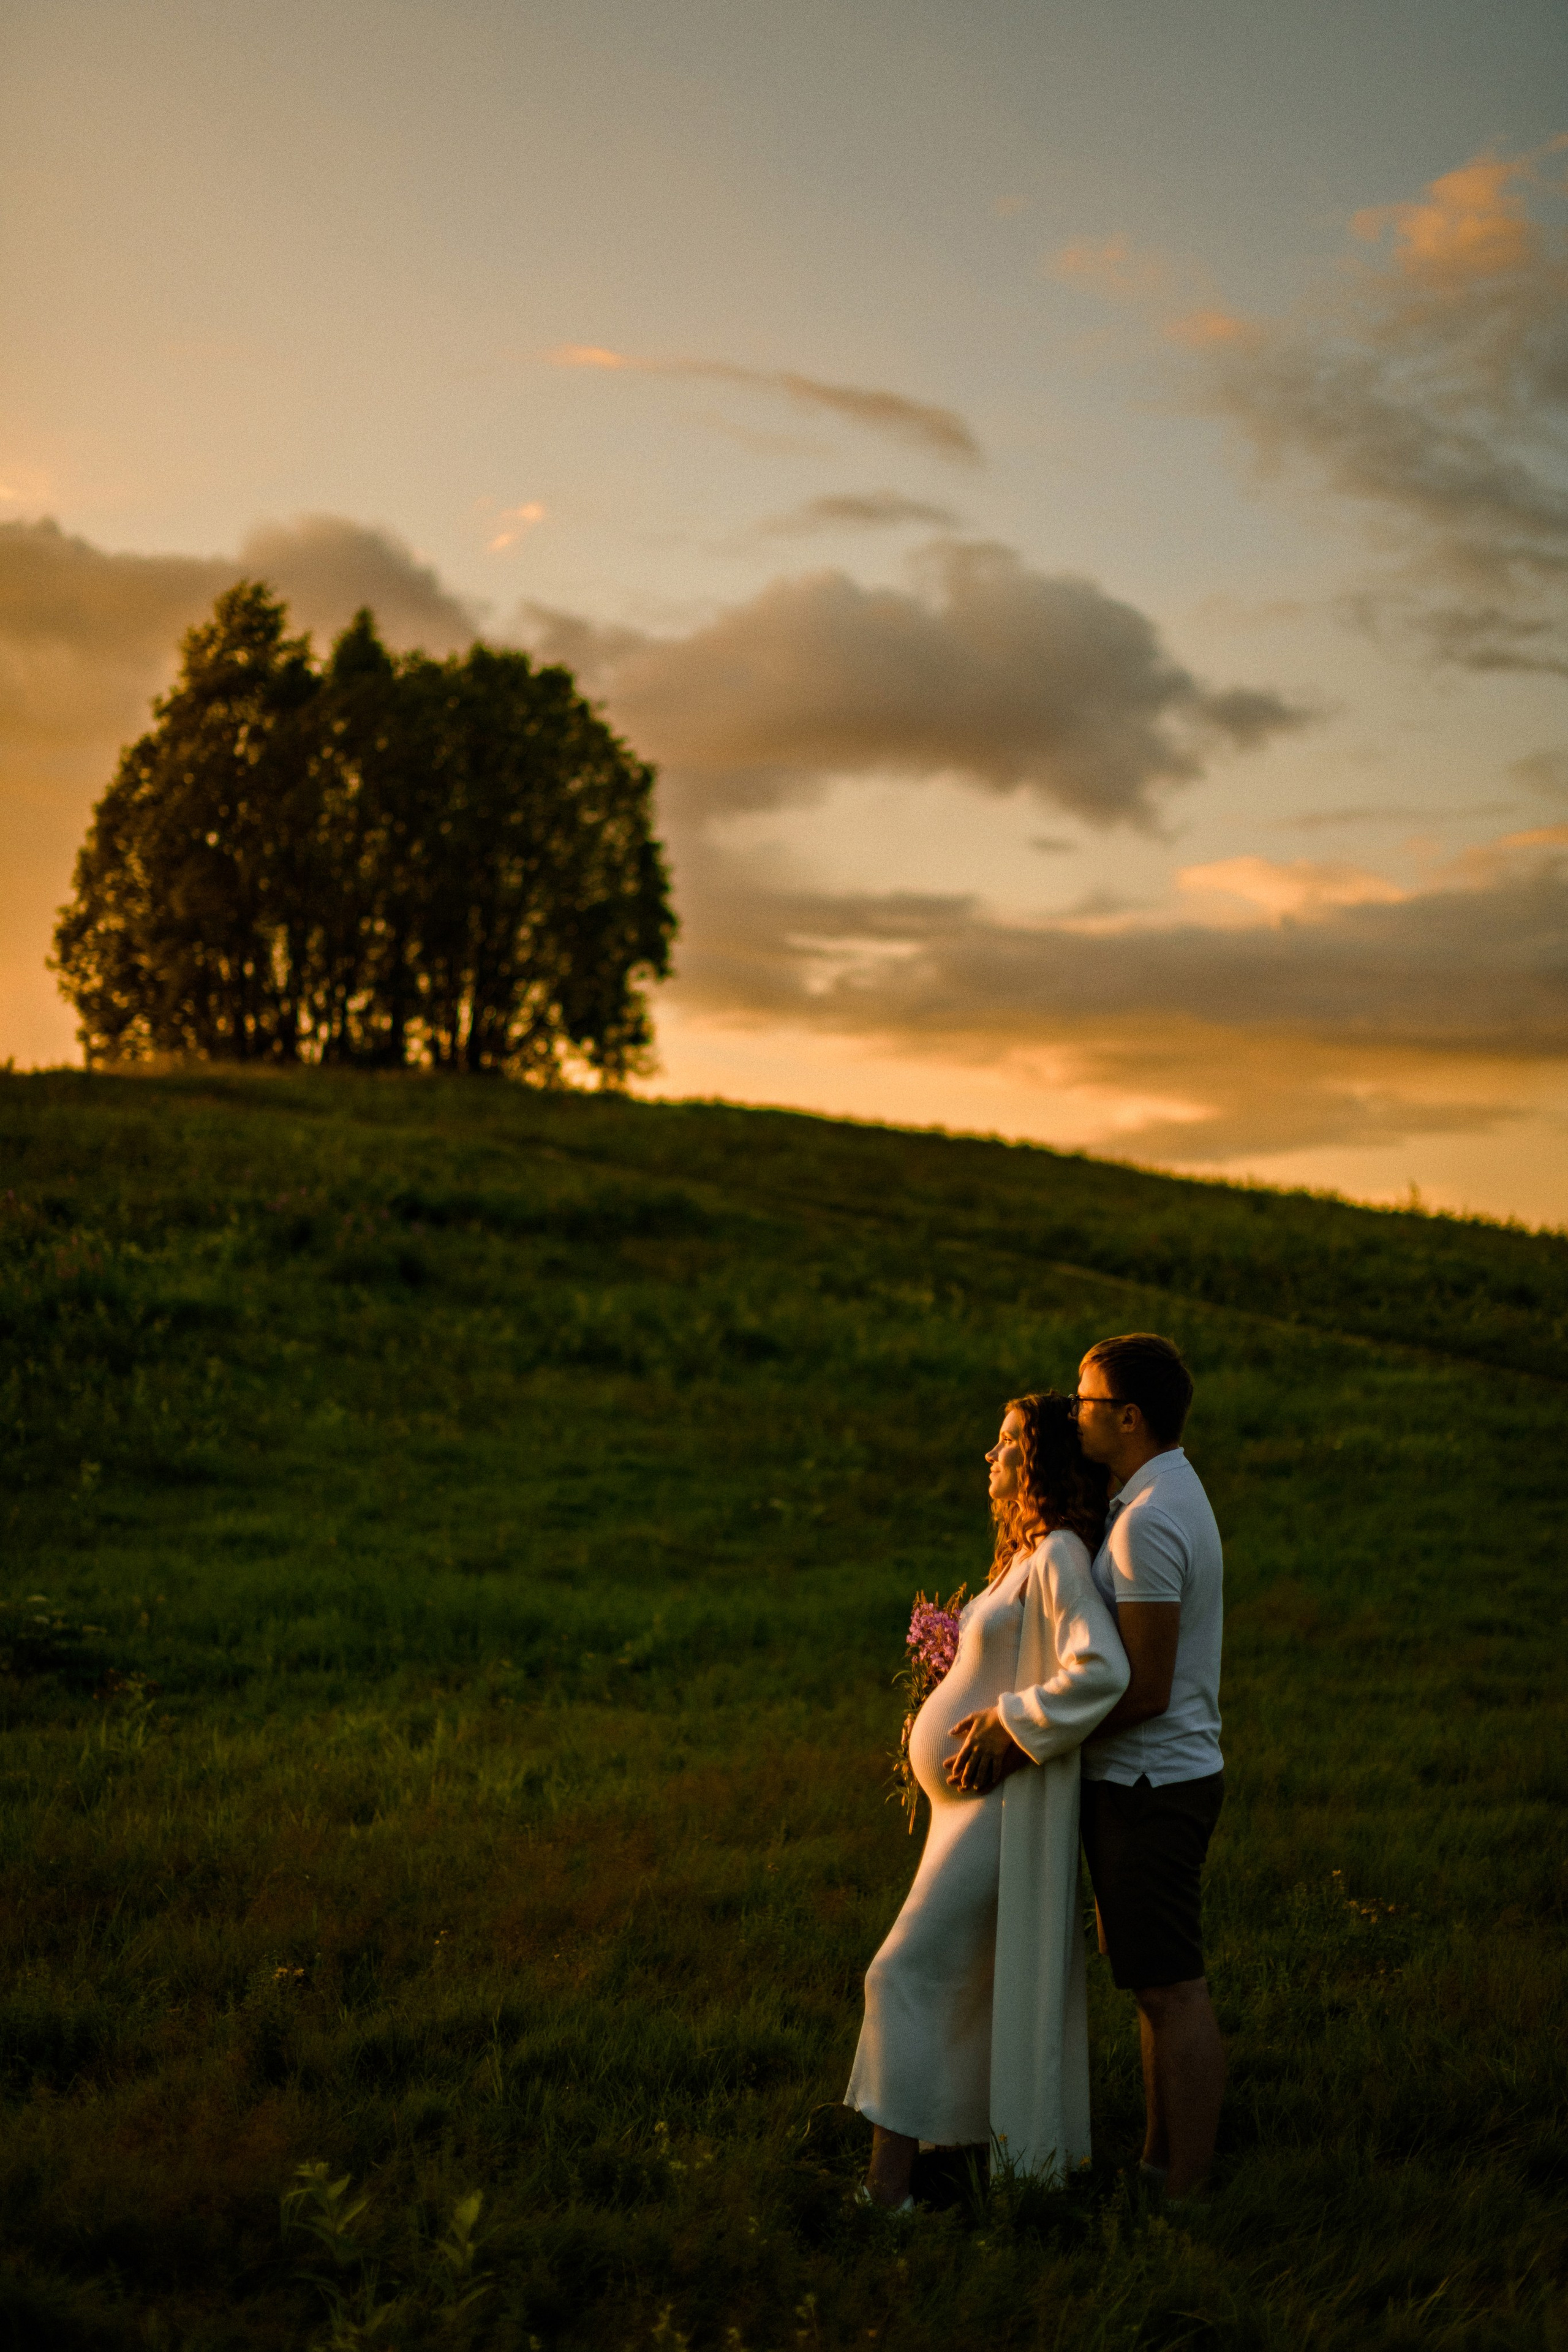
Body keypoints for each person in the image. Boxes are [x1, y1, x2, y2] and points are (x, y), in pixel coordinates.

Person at [845, 1392, 1129, 2209]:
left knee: (901, 1974)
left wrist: (1010, 1725)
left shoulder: (1061, 1560)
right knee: (951, 1982)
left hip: (999, 1818)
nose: (989, 1455)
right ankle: (954, 2159)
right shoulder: (1024, 1559)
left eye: (1005, 1442)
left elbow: (1102, 1669)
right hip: (960, 1817)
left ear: (1038, 1461)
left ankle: (886, 2196)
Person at [1071, 1332, 1226, 2203]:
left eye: (1085, 1400)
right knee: (1149, 1984)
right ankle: (1158, 2160)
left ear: (1128, 1417)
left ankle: (1184, 2185)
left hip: (1151, 1784)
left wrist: (1038, 1737)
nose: (1075, 1411)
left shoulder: (1152, 1521)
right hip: (1148, 1781)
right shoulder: (1156, 1494)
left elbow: (1146, 1687)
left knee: (1172, 1989)